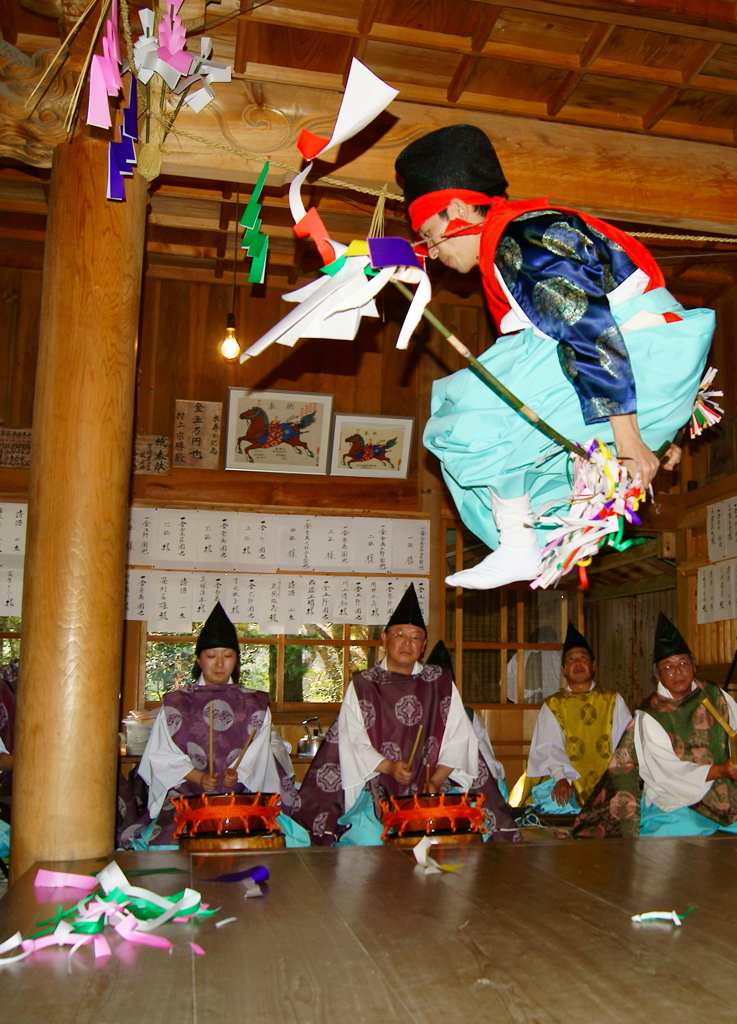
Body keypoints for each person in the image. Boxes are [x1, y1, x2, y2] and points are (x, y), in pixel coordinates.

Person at [395, 125, 715, 590]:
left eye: (431, 235)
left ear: (460, 209)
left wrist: (628, 437)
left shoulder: (524, 236)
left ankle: (519, 543)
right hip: (643, 366)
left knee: (466, 415)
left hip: (636, 353)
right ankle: (522, 542)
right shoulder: (515, 238)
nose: (433, 252)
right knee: (489, 425)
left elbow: (586, 327)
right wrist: (656, 433)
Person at [288, 584, 520, 845]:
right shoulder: (364, 685)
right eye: (400, 634)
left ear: (424, 645)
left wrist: (435, 780)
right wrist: (389, 767)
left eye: (416, 637)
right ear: (385, 639)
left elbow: (458, 739)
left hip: (432, 785)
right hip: (378, 782)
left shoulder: (439, 683)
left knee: (452, 839)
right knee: (371, 842)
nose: (408, 643)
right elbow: (354, 741)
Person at [119, 602, 297, 848]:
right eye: (211, 656)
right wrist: (198, 778)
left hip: (241, 795)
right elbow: (161, 757)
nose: (220, 664)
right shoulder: (176, 704)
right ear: (199, 660)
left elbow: (259, 756)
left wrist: (237, 774)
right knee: (169, 845)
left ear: (237, 659)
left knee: (266, 842)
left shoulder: (253, 703)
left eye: (228, 656)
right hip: (186, 798)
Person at [574, 613, 737, 838]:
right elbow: (667, 773)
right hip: (677, 795)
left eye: (682, 663)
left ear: (694, 666)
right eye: (668, 667)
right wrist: (720, 769)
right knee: (683, 831)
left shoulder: (714, 695)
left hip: (726, 786)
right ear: (657, 676)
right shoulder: (651, 716)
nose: (677, 671)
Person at [509, 624, 631, 814]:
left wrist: (617, 780)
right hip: (566, 780)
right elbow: (548, 747)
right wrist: (560, 778)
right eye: (571, 659)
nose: (578, 663)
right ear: (564, 670)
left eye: (583, 658)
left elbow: (626, 743)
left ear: (593, 665)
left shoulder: (612, 700)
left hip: (607, 781)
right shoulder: (554, 704)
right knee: (558, 805)